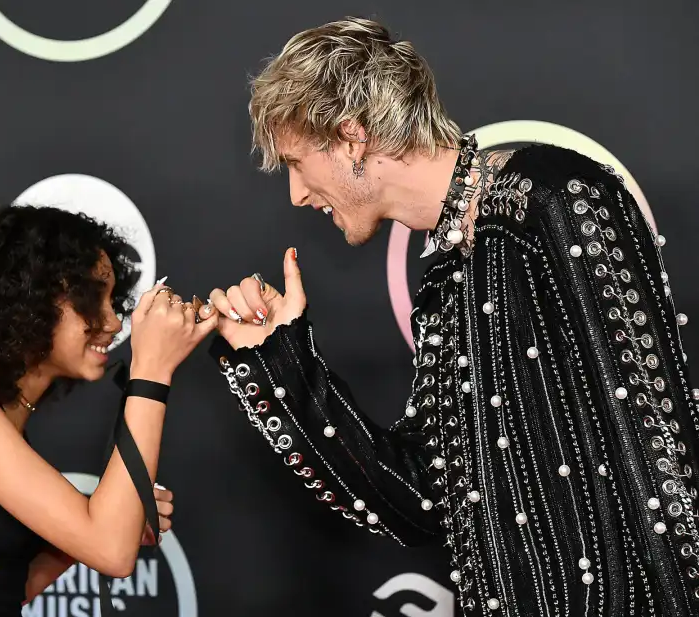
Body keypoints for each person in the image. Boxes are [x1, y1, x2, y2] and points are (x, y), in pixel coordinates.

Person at [201, 16, 699, 616]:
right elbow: (422, 499)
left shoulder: (552, 195)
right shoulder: (447, 267)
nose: (296, 194)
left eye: (297, 162)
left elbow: (658, 445)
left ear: (352, 137)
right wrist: (278, 359)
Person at [0, 204, 216, 616]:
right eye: (91, 298)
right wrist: (152, 370)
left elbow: (12, 589)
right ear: (28, 303)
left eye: (111, 299)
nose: (114, 322)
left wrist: (117, 521)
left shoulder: (4, 421)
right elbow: (111, 552)